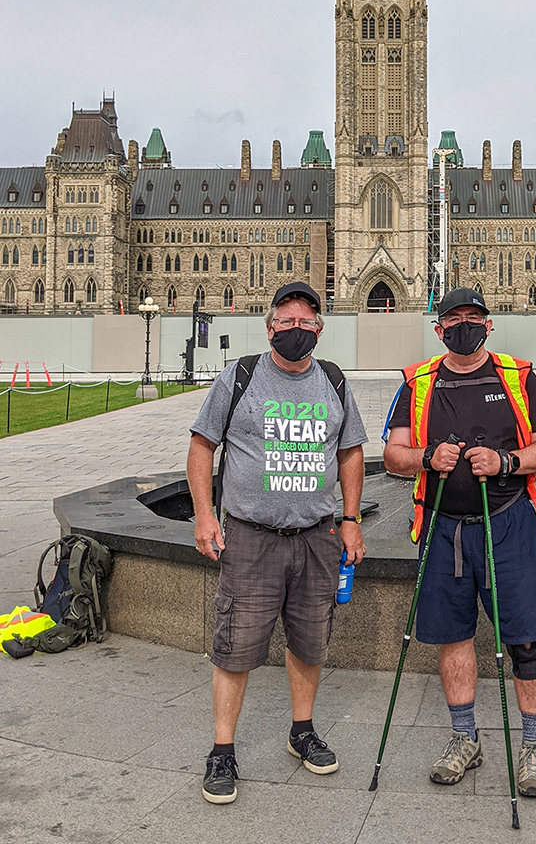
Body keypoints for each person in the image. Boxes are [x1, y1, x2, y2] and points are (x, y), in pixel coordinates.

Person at [187, 282, 367, 806]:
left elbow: (351, 451)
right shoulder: (240, 377)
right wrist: (203, 515)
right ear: (269, 328)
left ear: (319, 330)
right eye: (285, 323)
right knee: (236, 647)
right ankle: (223, 750)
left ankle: (301, 730)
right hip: (252, 536)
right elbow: (202, 445)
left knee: (310, 642)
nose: (295, 331)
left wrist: (351, 518)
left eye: (305, 324)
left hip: (316, 538)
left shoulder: (332, 381)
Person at [384, 288, 536, 798]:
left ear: (489, 326)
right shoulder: (418, 382)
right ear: (439, 330)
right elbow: (393, 452)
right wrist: (426, 458)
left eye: (474, 318)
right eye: (454, 319)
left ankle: (533, 747)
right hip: (443, 527)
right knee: (453, 637)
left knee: (527, 639)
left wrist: (506, 462)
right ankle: (466, 738)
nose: (465, 325)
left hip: (508, 523)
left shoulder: (518, 376)